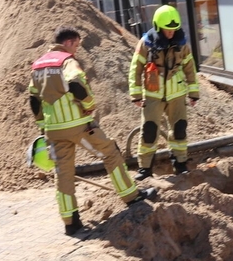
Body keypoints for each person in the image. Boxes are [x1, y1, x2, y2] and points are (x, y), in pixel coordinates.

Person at [29, 26, 155, 235]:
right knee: (110, 153)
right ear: (68, 42)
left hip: (53, 129)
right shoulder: (66, 61)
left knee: (63, 173)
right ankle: (132, 197)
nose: (76, 50)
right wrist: (88, 104)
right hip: (77, 124)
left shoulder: (38, 65)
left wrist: (42, 125)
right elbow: (76, 84)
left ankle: (71, 222)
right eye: (76, 45)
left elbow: (33, 100)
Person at [129, 5, 199, 179]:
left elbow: (190, 67)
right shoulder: (146, 43)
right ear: (158, 26)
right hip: (153, 95)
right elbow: (135, 69)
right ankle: (145, 169)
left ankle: (180, 164)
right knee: (149, 130)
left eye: (174, 30)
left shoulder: (182, 44)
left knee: (179, 129)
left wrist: (193, 92)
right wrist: (136, 95)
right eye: (168, 30)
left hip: (177, 94)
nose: (171, 33)